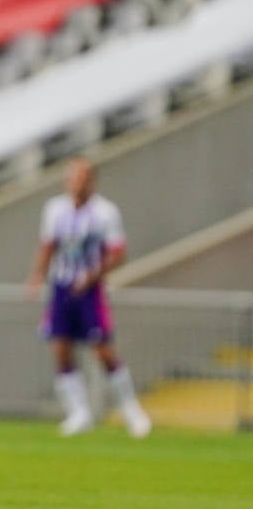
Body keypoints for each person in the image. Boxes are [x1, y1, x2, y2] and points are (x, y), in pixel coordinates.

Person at [28, 157, 151, 438]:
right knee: (60, 349)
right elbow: (48, 246)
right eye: (72, 177)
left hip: (91, 290)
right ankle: (79, 412)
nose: (76, 183)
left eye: (81, 177)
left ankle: (132, 411)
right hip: (61, 286)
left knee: (102, 349)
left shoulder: (105, 212)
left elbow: (118, 252)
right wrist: (37, 275)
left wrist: (93, 276)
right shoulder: (55, 209)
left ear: (91, 180)